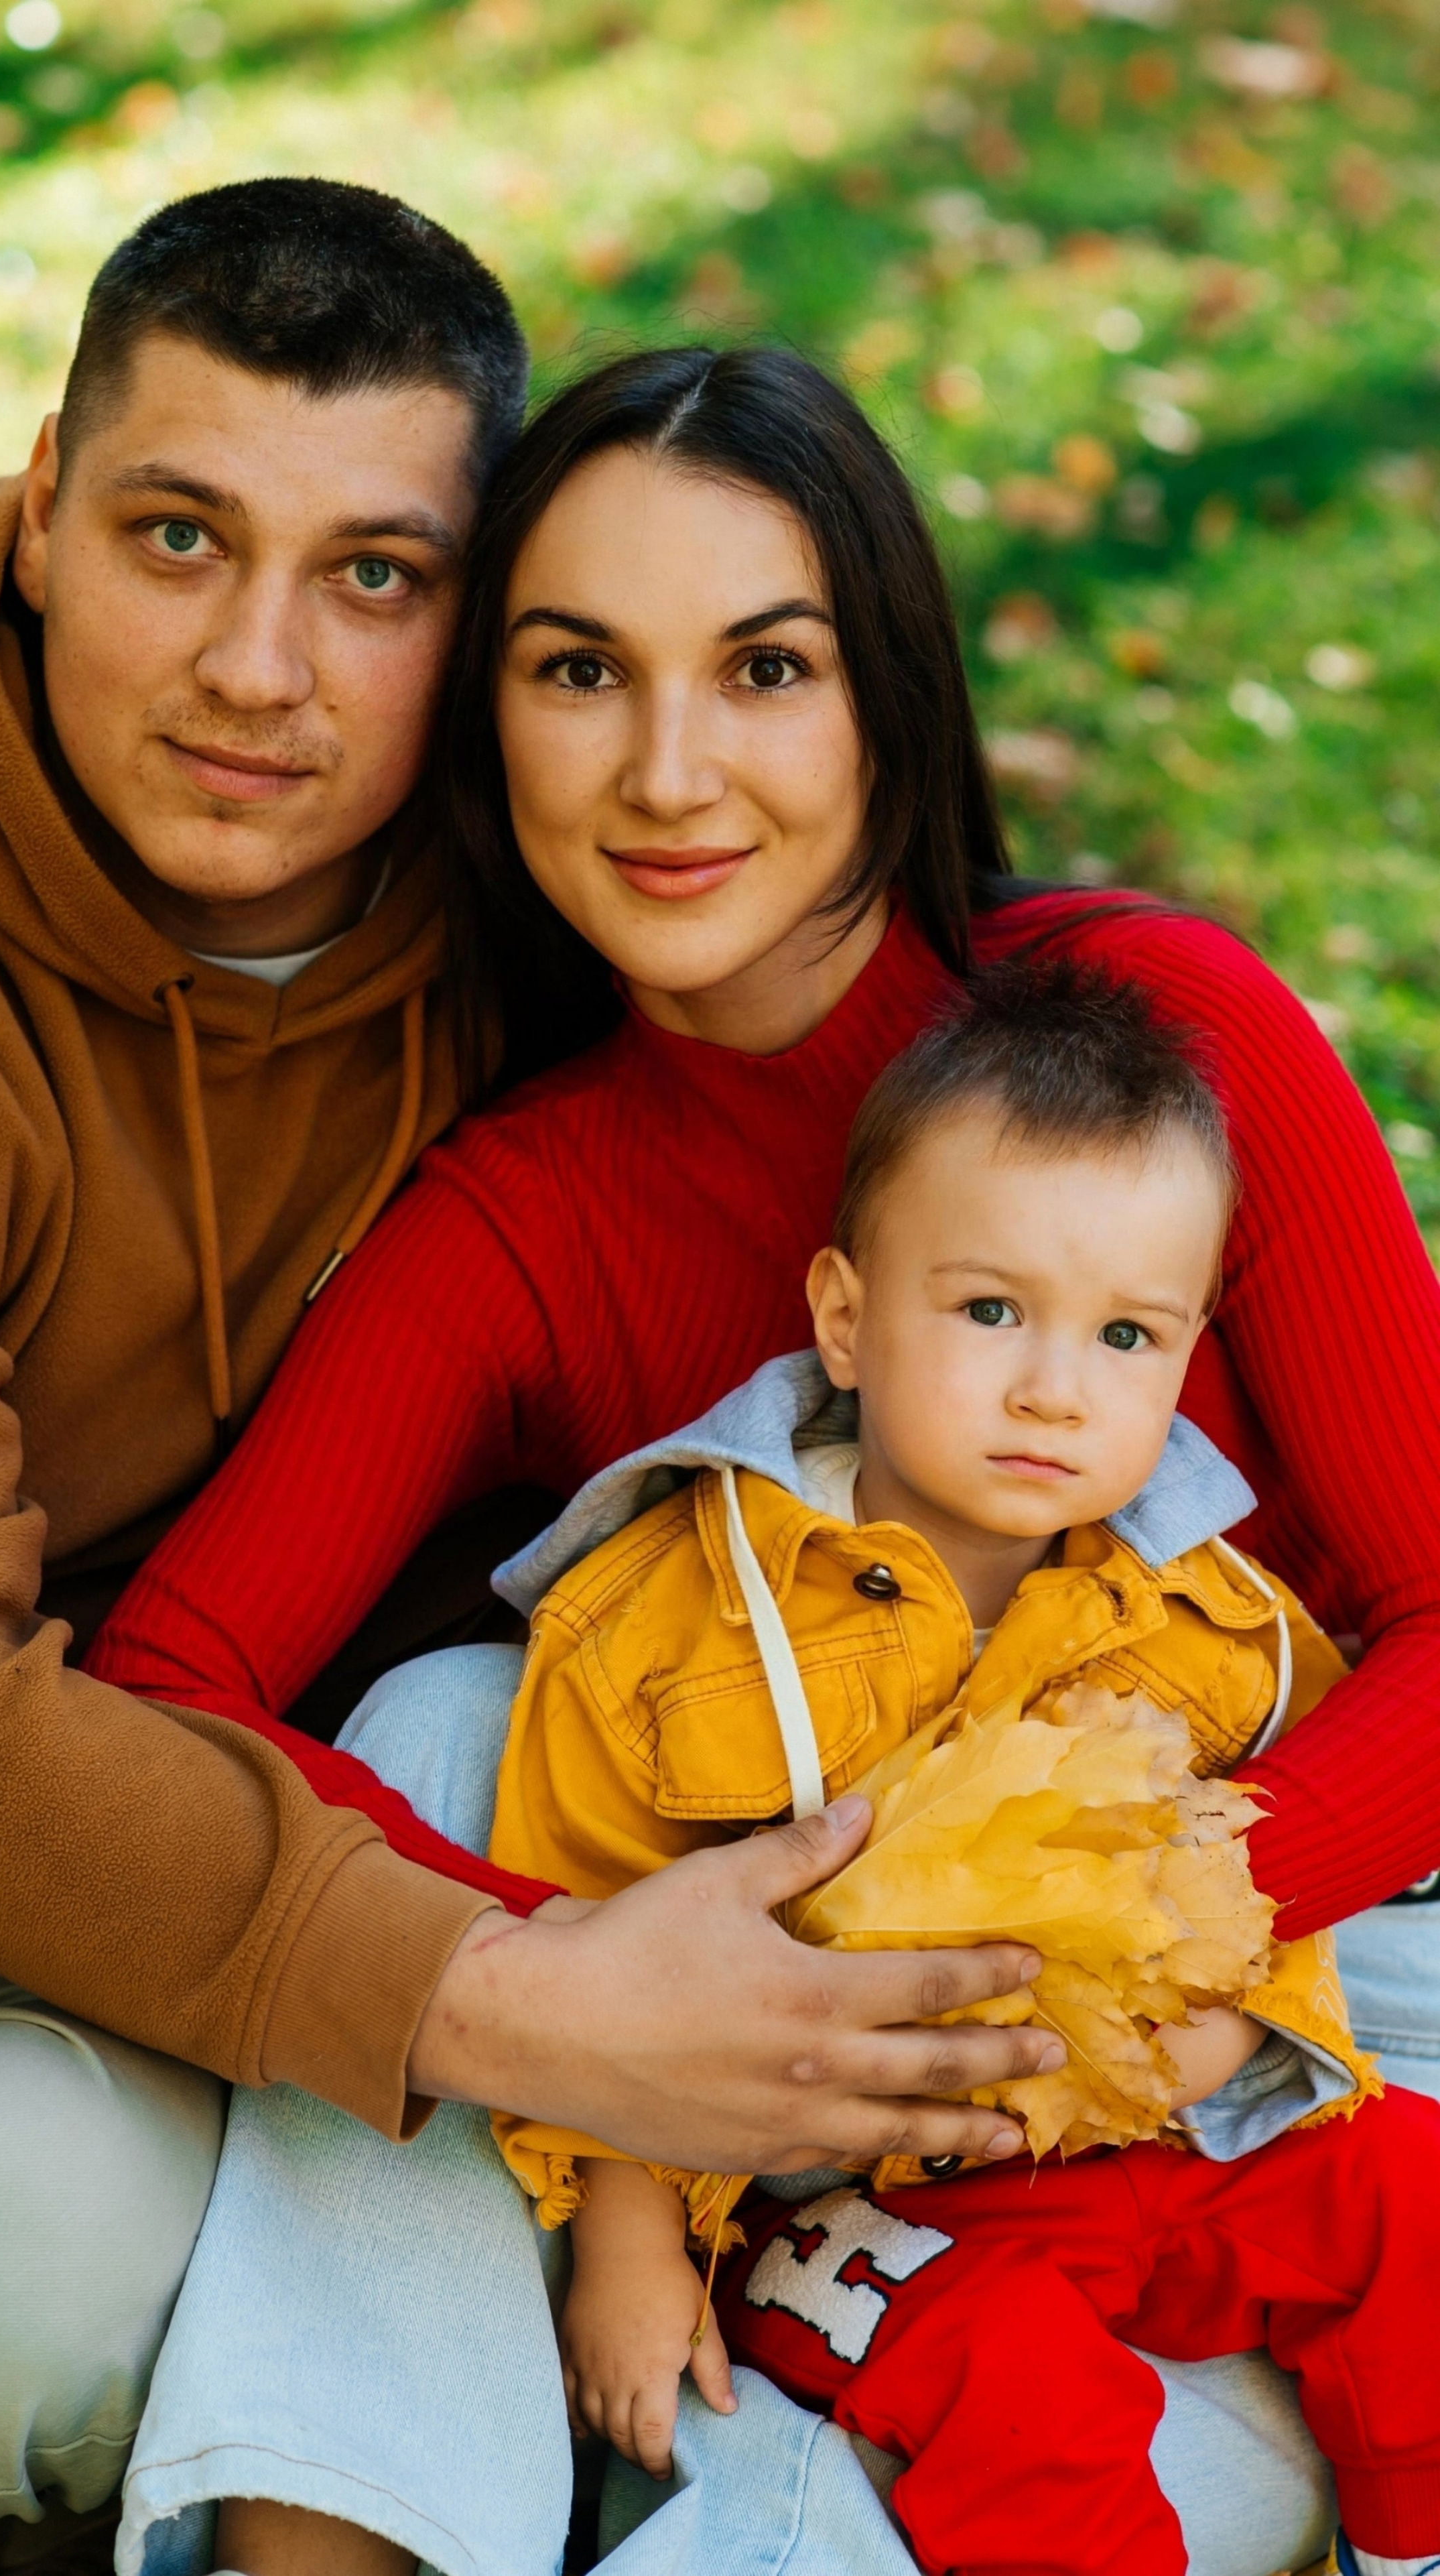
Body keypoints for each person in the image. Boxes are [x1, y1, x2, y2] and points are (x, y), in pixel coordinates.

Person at [0, 200, 1059, 2566]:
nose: (258, 670)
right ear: (40, 513)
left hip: (172, 1910)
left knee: (70, 2246)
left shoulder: (548, 893)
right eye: (176, 536)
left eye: (372, 576)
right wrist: (517, 1994)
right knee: (48, 2253)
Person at [92, 347, 1439, 2576]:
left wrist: (1097, 1929)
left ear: (884, 697)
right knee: (443, 1726)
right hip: (792, 2124)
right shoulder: (523, 1219)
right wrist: (588, 1991)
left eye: (764, 667)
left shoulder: (1154, 1047)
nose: (668, 769)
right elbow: (167, 1689)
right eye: (578, 670)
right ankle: (337, 2541)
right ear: (488, 721)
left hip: (1282, 2038)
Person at [487, 961, 1436, 2576]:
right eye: (989, 1310)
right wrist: (629, 2245)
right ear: (844, 1317)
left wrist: (1230, 2026)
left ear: (1183, 1357)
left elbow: (1271, 1894)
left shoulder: (1217, 1624)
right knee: (1028, 2396)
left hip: (1133, 2143)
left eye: (1123, 1334)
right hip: (842, 2199)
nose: (1053, 1386)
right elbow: (580, 1946)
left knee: (1408, 2189)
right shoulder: (676, 1615)